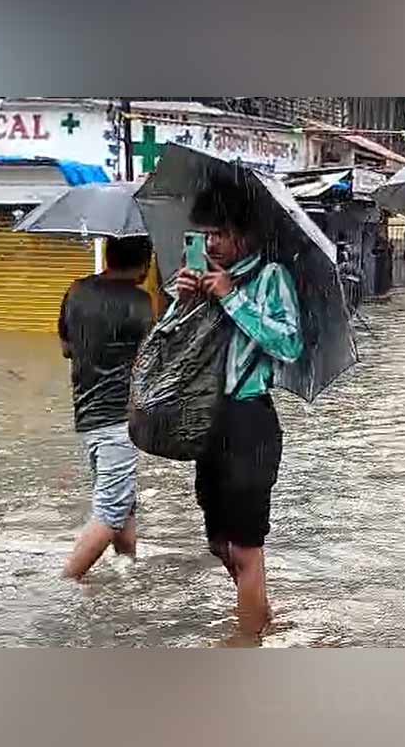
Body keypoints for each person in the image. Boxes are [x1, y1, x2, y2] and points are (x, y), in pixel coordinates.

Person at [172, 180, 304, 638]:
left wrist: (232, 296)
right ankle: (260, 612)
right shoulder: (201, 278)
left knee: (247, 547)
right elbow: (174, 352)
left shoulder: (272, 278)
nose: (212, 243)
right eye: (207, 234)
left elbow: (289, 344)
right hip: (207, 421)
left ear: (245, 235)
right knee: (217, 542)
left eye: (222, 233)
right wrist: (183, 302)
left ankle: (248, 643)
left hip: (250, 421)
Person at [58, 236, 155, 581]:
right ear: (144, 265)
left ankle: (126, 570)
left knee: (123, 500)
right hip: (119, 419)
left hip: (86, 413)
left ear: (108, 256)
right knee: (111, 511)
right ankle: (67, 584)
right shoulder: (142, 304)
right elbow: (151, 363)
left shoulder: (76, 291)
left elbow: (67, 347)